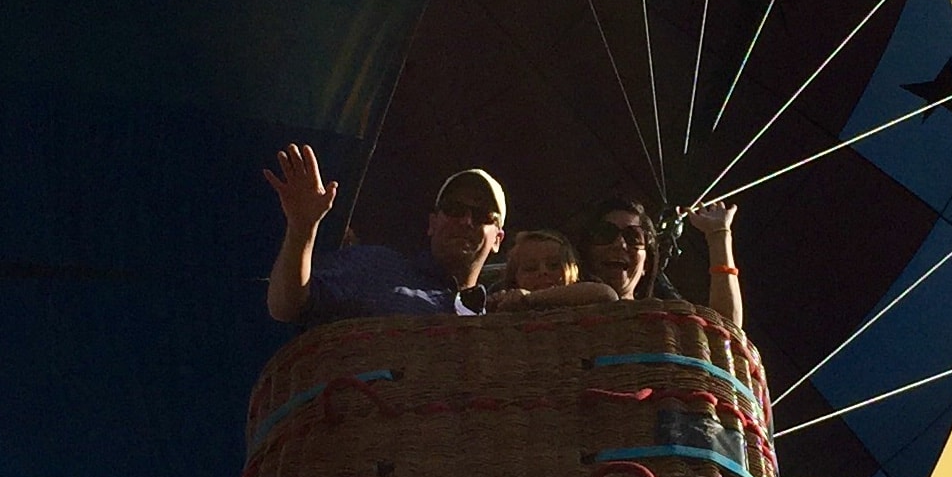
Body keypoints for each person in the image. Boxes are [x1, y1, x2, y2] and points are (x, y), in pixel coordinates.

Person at [262, 146, 506, 324]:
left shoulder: (494, 323)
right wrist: (302, 228)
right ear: (432, 224)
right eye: (454, 209)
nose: (466, 221)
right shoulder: (374, 266)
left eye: (483, 215)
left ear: (498, 239)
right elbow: (284, 306)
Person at [575, 194, 745, 333]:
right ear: (587, 251)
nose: (620, 244)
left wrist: (718, 234)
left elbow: (723, 333)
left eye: (633, 237)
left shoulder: (662, 323)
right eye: (605, 234)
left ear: (646, 264)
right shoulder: (566, 310)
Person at [488, 228, 616, 309]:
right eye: (530, 268)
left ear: (572, 271)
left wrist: (529, 298)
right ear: (514, 277)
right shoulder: (505, 305)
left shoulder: (587, 298)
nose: (543, 272)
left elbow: (607, 294)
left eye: (554, 265)